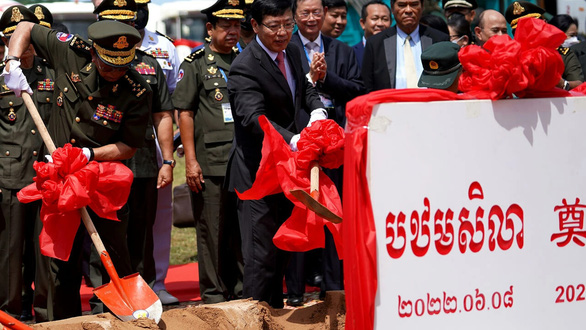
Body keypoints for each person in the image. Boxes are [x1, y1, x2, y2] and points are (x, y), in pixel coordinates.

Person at [4, 19, 152, 320]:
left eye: (122, 67)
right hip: (59, 182)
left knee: (112, 250)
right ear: (94, 53)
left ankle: (120, 319)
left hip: (101, 180)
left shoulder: (137, 90)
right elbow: (27, 27)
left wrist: (89, 154)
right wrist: (12, 61)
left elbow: (129, 146)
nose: (115, 73)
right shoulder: (70, 52)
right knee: (59, 258)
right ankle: (63, 322)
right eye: (108, 66)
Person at [227, 0, 327, 308]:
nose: (282, 33)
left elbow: (304, 89)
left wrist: (317, 110)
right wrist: (293, 139)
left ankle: (273, 313)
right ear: (255, 26)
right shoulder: (244, 66)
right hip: (257, 175)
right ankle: (252, 318)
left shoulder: (294, 50)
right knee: (260, 257)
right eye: (274, 26)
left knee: (281, 251)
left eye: (288, 24)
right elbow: (254, 118)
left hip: (287, 170)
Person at [93, 0, 175, 298]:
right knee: (104, 231)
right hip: (101, 163)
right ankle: (105, 294)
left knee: (141, 231)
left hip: (141, 164)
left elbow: (163, 114)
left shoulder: (149, 64)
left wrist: (167, 160)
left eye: (127, 24)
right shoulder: (88, 62)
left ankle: (144, 292)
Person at [289, 0, 363, 307]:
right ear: (294, 15)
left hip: (336, 147)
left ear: (324, 14)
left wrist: (325, 78)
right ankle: (294, 291)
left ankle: (333, 287)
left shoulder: (342, 50)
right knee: (299, 215)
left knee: (335, 215)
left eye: (316, 12)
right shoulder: (286, 47)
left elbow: (358, 89)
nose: (310, 18)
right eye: (304, 12)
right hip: (298, 145)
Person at [174, 0, 244, 305]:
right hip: (210, 161)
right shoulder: (196, 63)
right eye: (225, 25)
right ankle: (214, 295)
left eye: (236, 25)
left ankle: (241, 290)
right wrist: (191, 161)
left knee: (240, 231)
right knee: (211, 231)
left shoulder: (245, 61)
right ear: (210, 29)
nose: (232, 31)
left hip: (242, 161)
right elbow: (185, 112)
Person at [0, 5, 55, 321]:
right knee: (10, 250)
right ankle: (9, 312)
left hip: (47, 176)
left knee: (45, 248)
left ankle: (45, 311)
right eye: (13, 37)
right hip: (10, 175)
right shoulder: (0, 75)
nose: (24, 44)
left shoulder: (51, 74)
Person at [134, 0, 181, 305]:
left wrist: (170, 147)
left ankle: (158, 281)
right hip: (120, 139)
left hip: (158, 139)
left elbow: (174, 97)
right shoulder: (101, 42)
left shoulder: (164, 47)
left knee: (160, 215)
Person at [362, 0, 449, 92]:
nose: (408, 10)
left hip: (432, 104)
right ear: (392, 7)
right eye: (402, 5)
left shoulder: (439, 40)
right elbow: (367, 86)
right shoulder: (375, 44)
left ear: (422, 6)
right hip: (389, 104)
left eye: (414, 5)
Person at [505, 1, 583, 91]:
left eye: (532, 27)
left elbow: (579, 85)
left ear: (544, 24)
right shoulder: (509, 56)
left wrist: (562, 84)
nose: (527, 33)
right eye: (521, 30)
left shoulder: (562, 54)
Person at [352, 0, 391, 68]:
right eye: (375, 19)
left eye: (385, 19)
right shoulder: (351, 53)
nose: (380, 23)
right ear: (363, 23)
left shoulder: (399, 51)